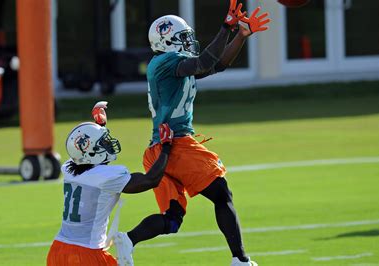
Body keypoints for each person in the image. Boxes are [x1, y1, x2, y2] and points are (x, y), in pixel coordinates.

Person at [114, 1, 271, 265]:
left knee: (172, 219)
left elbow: (216, 65)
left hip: (160, 149)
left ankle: (128, 240)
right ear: (167, 41)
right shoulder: (164, 62)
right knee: (222, 193)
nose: (188, 42)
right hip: (175, 145)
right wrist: (226, 28)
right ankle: (241, 260)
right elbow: (206, 61)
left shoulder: (173, 65)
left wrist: (240, 35)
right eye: (182, 38)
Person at [46, 102, 175, 266]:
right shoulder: (107, 177)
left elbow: (83, 152)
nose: (108, 144)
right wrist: (166, 148)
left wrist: (100, 127)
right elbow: (151, 180)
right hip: (86, 254)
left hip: (57, 251)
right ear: (92, 152)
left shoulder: (69, 168)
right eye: (103, 143)